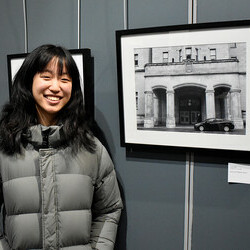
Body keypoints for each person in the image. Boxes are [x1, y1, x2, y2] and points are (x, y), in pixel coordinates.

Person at [0, 44, 123, 250]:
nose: (56, 87)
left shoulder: (91, 148)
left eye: (64, 79)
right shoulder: (5, 146)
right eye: (46, 77)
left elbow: (109, 209)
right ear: (29, 81)